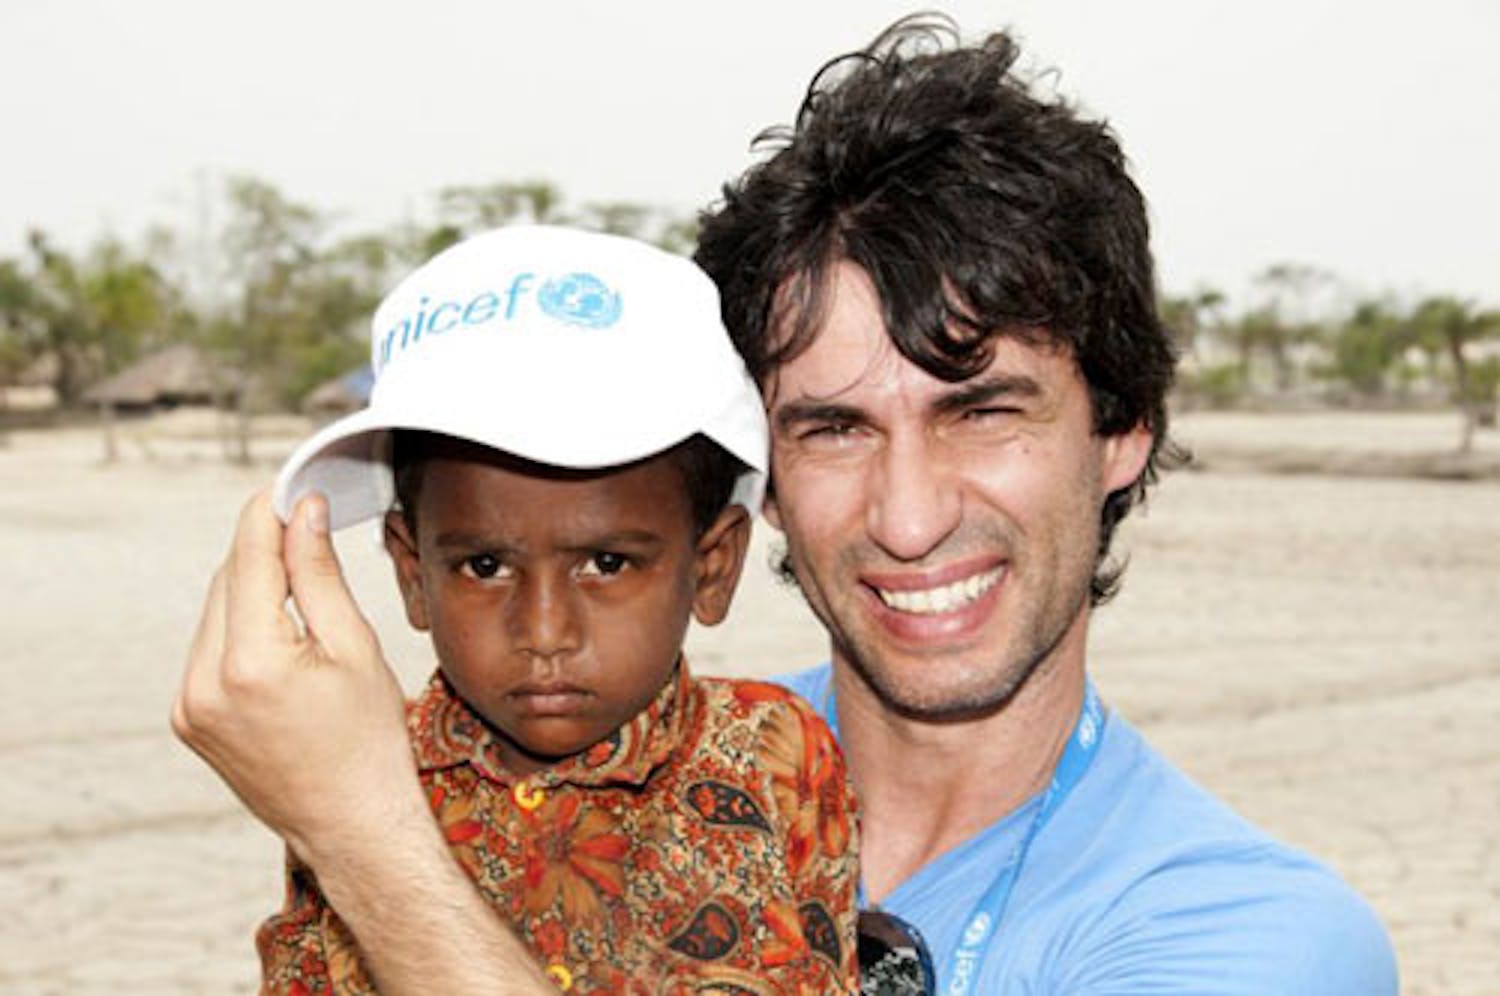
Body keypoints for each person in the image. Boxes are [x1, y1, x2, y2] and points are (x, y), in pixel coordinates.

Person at [174, 16, 1397, 995]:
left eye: (983, 411)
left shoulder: (1254, 937)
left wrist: (366, 835)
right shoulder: (603, 754)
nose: (909, 516)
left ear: (1123, 428)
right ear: (752, 479)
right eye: (833, 427)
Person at [248, 225, 858, 993]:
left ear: (713, 568)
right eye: (485, 565)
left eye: (606, 564)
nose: (544, 633)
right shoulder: (364, 772)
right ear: (411, 573)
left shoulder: (778, 754)